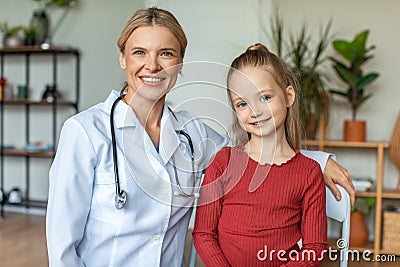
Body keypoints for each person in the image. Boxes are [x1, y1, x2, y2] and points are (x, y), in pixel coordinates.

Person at [46, 7, 352, 267]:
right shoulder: (85, 132)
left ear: (180, 63)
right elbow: (61, 244)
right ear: (123, 58)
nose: (152, 65)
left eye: (166, 53)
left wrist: (319, 161)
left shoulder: (193, 132)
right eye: (139, 52)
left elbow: (256, 149)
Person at [193, 43, 329, 266]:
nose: (255, 111)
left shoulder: (308, 172)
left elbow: (315, 248)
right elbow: (204, 235)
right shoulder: (223, 163)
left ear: (288, 96)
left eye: (264, 97)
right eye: (242, 103)